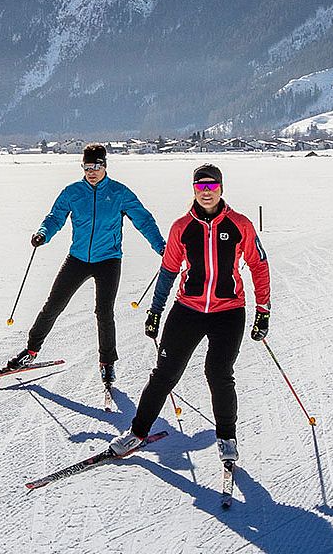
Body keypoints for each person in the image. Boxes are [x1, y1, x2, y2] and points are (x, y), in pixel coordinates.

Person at [109, 163, 271, 463]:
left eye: (211, 186)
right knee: (164, 374)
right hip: (188, 309)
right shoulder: (182, 227)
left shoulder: (240, 225)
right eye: (200, 187)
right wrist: (156, 311)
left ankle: (226, 437)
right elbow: (168, 270)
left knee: (219, 374)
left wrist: (263, 309)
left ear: (221, 188)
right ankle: (137, 432)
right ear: (193, 190)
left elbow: (259, 265)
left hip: (229, 311)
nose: (206, 192)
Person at [7, 143, 166, 385]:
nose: (91, 171)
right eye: (87, 166)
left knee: (104, 313)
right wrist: (43, 233)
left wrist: (161, 247)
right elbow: (55, 217)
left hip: (109, 260)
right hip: (78, 258)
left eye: (96, 166)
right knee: (53, 305)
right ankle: (31, 350)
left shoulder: (120, 193)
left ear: (105, 166)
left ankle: (107, 362)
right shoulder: (73, 192)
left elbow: (144, 220)